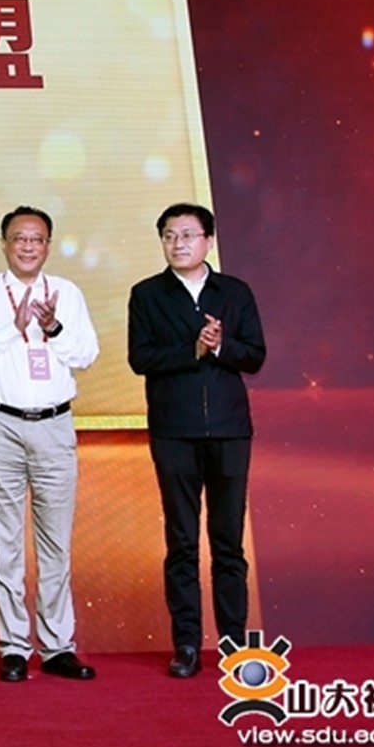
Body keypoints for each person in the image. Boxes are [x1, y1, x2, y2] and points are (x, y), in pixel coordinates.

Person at [0, 206, 99, 682]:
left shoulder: (68, 293)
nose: (28, 246)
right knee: (5, 540)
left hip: (55, 424)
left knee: (56, 541)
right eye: (19, 238)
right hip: (0, 424)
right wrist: (11, 329)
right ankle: (14, 645)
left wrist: (53, 330)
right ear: (4, 243)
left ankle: (57, 647)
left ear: (48, 246)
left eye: (37, 239)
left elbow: (87, 355)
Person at [128, 202, 266, 678]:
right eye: (169, 235)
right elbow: (141, 358)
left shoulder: (235, 292)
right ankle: (186, 643)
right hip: (174, 432)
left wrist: (221, 345)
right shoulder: (147, 294)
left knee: (228, 543)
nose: (178, 243)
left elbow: (255, 356)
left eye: (188, 234)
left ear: (208, 240)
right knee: (181, 542)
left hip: (230, 431)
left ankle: (233, 644)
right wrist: (193, 349)